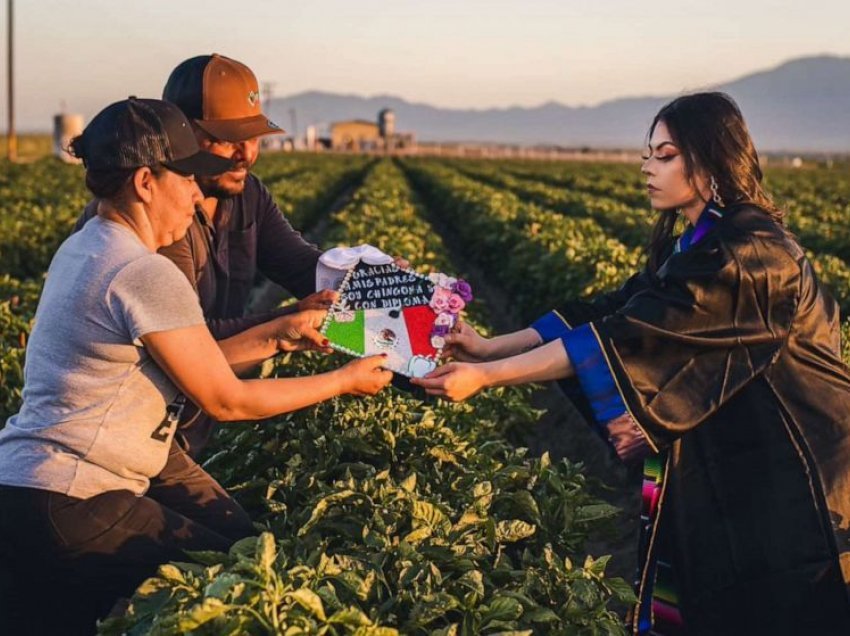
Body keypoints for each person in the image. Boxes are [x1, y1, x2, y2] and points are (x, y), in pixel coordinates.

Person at [413, 93, 850, 635]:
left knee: (785, 606)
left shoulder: (749, 254)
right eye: (649, 153)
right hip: (751, 465)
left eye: (665, 155)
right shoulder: (700, 241)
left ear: (711, 160)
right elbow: (613, 311)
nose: (646, 166)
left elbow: (627, 337)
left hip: (804, 476)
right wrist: (490, 346)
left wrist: (487, 377)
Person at [0, 98, 393, 635]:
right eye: (186, 178)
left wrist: (281, 335)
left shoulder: (86, 246)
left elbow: (192, 360)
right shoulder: (146, 272)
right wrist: (345, 380)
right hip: (73, 499)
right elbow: (226, 398)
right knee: (233, 578)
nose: (195, 194)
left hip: (23, 489)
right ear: (144, 182)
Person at [73, 54, 330, 457]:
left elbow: (303, 266)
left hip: (183, 428)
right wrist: (289, 322)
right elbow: (193, 345)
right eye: (227, 139)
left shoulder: (247, 194)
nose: (245, 154)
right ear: (178, 132)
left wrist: (383, 288)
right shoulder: (151, 221)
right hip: (127, 433)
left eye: (253, 138)